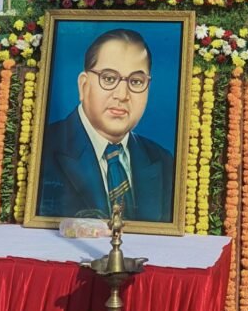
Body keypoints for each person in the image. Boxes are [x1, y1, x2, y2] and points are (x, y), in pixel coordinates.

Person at [37, 28, 174, 221]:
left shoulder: (163, 160)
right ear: (83, 86)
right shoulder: (43, 149)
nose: (122, 95)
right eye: (109, 78)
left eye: (136, 81)